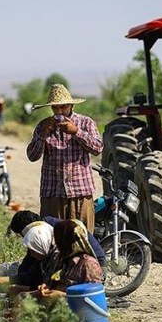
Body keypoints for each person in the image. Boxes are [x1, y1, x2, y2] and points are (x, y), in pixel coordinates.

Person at [27, 84, 103, 233]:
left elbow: (98, 148)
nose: (59, 111)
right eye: (56, 108)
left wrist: (76, 132)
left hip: (80, 192)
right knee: (53, 239)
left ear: (71, 105)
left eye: (63, 107)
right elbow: (32, 156)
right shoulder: (43, 126)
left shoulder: (85, 123)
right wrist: (43, 136)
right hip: (52, 193)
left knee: (82, 238)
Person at [30, 219, 104, 302]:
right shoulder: (59, 258)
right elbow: (52, 280)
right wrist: (45, 287)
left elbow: (94, 298)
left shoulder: (88, 264)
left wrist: (62, 295)